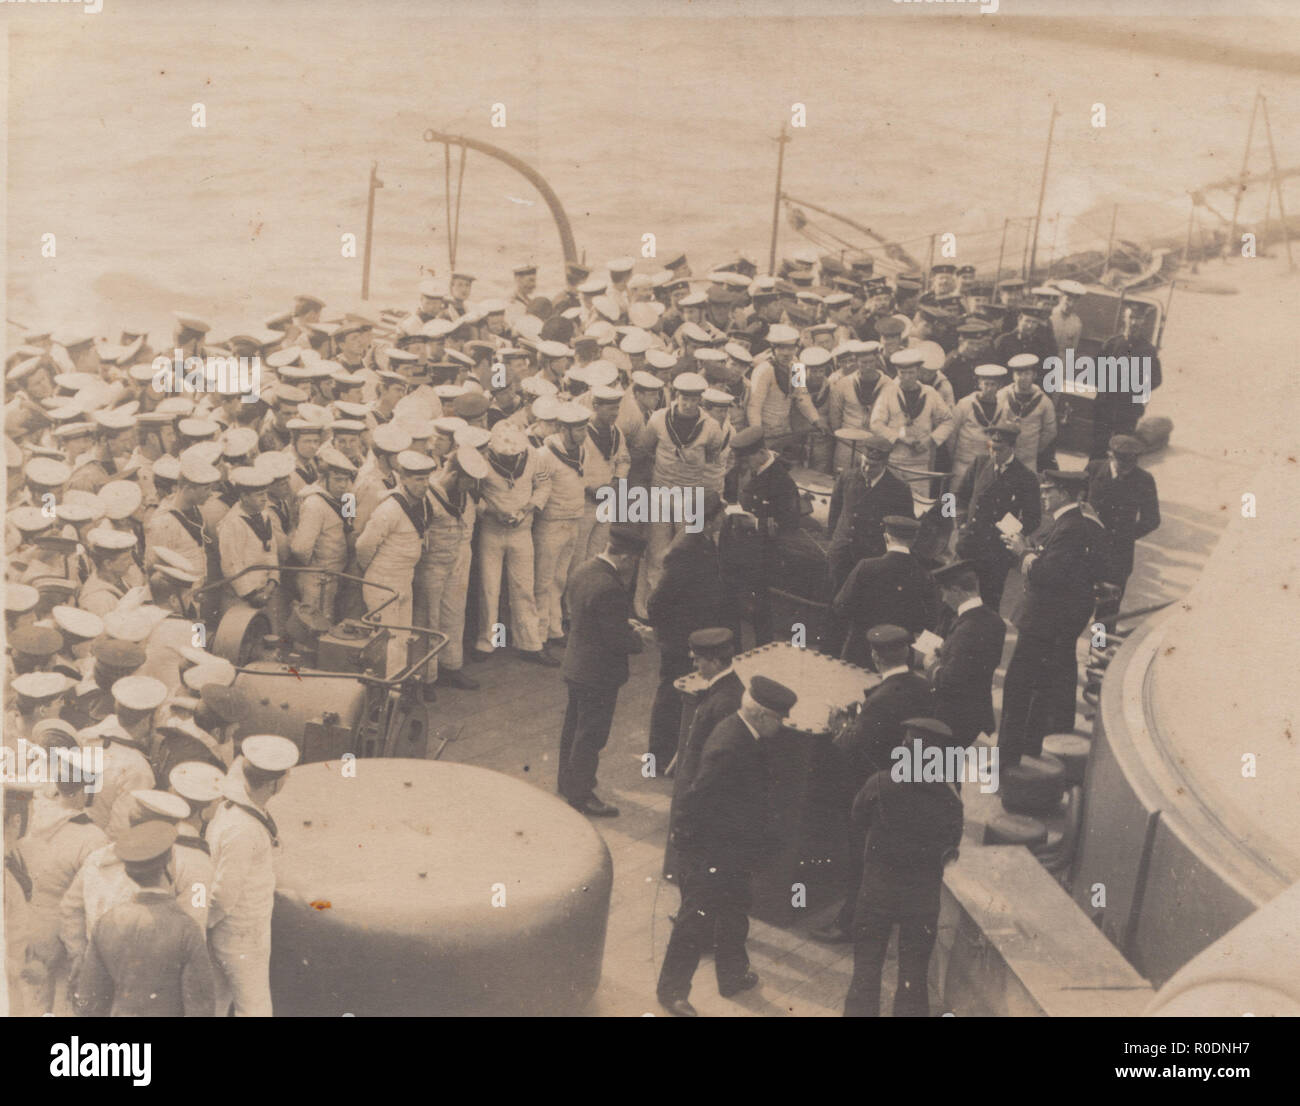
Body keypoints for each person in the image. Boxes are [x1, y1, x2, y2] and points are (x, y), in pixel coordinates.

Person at [657, 676, 798, 1017]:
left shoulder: (743, 732)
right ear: (763, 716)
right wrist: (689, 848)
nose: (782, 726)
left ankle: (732, 974)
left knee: (736, 909)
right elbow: (696, 799)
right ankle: (671, 991)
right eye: (780, 719)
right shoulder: (730, 747)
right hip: (712, 852)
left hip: (734, 848)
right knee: (696, 920)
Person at [814, 625, 937, 944]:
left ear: (874, 656)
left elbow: (851, 745)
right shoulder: (922, 687)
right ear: (907, 653)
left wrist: (839, 724)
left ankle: (849, 923)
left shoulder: (881, 699)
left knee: (862, 858)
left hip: (877, 792)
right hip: (911, 785)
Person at [842, 717, 963, 1018]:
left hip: (876, 893)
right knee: (914, 977)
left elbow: (856, 819)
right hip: (920, 901)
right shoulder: (950, 800)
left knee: (866, 970)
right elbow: (951, 848)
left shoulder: (880, 782)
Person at [999, 469, 1109, 767]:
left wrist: (1024, 554)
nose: (1044, 495)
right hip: (1055, 622)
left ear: (1064, 493)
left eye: (1049, 490)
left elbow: (1049, 574)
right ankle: (1030, 748)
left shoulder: (1069, 527)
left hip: (1042, 621)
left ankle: (1006, 760)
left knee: (1018, 689)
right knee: (1040, 689)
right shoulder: (1075, 524)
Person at [71, 821, 215, 1017]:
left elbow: (89, 1001)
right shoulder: (186, 928)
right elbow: (201, 1005)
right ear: (168, 865)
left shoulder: (106, 923)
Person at [558, 525, 654, 816]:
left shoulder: (584, 570)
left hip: (576, 664)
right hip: (598, 674)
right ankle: (582, 795)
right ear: (626, 558)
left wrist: (624, 624)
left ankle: (568, 783)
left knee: (573, 729)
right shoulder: (610, 587)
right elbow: (617, 640)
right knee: (592, 736)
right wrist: (639, 638)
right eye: (634, 561)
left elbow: (594, 618)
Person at [207, 734, 300, 1017]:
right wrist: (206, 924)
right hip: (241, 934)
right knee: (255, 1007)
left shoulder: (234, 804)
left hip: (230, 931)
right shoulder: (244, 829)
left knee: (216, 1001)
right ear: (275, 783)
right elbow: (224, 893)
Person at [644, 495, 725, 771]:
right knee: (670, 698)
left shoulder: (699, 539)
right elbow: (657, 601)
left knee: (680, 698)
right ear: (710, 519)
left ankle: (672, 757)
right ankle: (658, 759)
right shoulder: (686, 548)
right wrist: (666, 634)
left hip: (689, 634)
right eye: (720, 513)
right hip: (679, 640)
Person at [355, 450, 437, 678]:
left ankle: (398, 690)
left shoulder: (421, 504)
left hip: (404, 579)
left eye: (427, 479)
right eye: (419, 479)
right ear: (404, 479)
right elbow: (363, 546)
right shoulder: (389, 508)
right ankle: (387, 694)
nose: (425, 485)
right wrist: (370, 571)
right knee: (386, 641)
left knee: (402, 639)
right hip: (382, 581)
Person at [413, 446, 487, 691]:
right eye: (468, 482)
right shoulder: (428, 494)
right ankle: (426, 677)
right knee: (428, 621)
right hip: (431, 565)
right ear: (454, 475)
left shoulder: (462, 495)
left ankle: (451, 666)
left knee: (455, 615)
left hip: (456, 560)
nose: (470, 488)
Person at [720, 427, 802, 645]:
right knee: (730, 605)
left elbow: (791, 523)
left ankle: (764, 652)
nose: (743, 466)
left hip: (761, 555)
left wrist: (757, 523)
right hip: (735, 548)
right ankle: (733, 651)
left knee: (760, 610)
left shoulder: (782, 482)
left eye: (746, 460)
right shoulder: (745, 469)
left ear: (760, 453)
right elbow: (731, 492)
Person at [953, 423, 1042, 614]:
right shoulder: (979, 463)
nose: (993, 453)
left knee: (989, 603)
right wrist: (959, 523)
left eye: (999, 449)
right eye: (991, 447)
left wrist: (1010, 532)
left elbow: (1033, 518)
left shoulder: (1026, 477)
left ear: (1012, 448)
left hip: (995, 553)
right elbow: (958, 496)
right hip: (968, 543)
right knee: (955, 598)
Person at [834, 516, 940, 668]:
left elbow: (841, 606)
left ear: (886, 537)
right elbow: (931, 621)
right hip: (899, 657)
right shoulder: (924, 576)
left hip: (859, 651)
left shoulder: (866, 567)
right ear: (913, 541)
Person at [927, 561, 1006, 747]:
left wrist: (931, 665)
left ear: (956, 591)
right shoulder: (994, 620)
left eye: (945, 592)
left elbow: (950, 681)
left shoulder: (967, 629)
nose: (944, 599)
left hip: (954, 719)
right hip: (975, 713)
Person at [826, 432, 914, 596]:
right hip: (841, 553)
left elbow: (906, 526)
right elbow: (835, 512)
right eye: (864, 463)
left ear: (885, 463)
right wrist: (833, 542)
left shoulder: (898, 489)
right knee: (834, 597)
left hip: (871, 557)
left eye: (873, 466)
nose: (866, 469)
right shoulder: (847, 477)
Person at [1085, 434, 1160, 605]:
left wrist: (1124, 535)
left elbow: (1152, 519)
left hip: (1118, 556)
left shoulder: (1144, 480)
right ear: (1110, 455)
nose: (1127, 469)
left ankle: (1101, 633)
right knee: (1077, 604)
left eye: (1132, 464)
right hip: (1089, 549)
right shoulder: (1093, 469)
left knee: (1107, 610)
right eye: (1122, 464)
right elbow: (1078, 501)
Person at [289, 444, 356, 621]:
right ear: (323, 478)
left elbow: (350, 527)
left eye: (346, 479)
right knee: (312, 625)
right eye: (337, 480)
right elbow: (300, 548)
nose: (343, 485)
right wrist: (315, 567)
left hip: (337, 573)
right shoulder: (314, 503)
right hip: (318, 578)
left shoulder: (348, 496)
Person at [216, 466, 286, 625]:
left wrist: (272, 583)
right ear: (244, 497)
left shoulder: (264, 516)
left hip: (264, 592)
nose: (264, 499)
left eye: (266, 494)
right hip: (242, 597)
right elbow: (231, 565)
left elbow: (271, 552)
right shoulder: (232, 523)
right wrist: (251, 594)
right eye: (259, 495)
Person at [1091, 302, 1162, 456]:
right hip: (1106, 406)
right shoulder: (1111, 344)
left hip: (1129, 409)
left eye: (1138, 318)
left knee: (1122, 451)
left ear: (1143, 321)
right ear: (1125, 318)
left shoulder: (1148, 351)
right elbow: (1094, 371)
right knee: (1098, 448)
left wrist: (1137, 390)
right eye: (1131, 317)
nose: (1134, 322)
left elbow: (1156, 378)